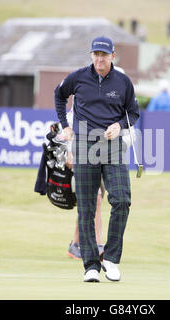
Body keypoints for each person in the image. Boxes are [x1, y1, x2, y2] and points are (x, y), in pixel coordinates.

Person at [54, 36, 140, 282]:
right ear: (91, 55)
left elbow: (133, 113)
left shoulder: (123, 81)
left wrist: (119, 124)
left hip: (112, 146)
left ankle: (111, 259)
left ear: (113, 56)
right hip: (83, 144)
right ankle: (90, 265)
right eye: (96, 54)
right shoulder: (78, 77)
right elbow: (59, 96)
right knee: (87, 207)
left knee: (122, 200)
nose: (100, 59)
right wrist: (65, 126)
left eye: (104, 54)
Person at [62, 107, 105, 260]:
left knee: (90, 202)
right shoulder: (83, 88)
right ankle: (98, 245)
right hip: (81, 152)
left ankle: (75, 244)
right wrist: (70, 150)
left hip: (100, 153)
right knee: (95, 199)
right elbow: (70, 122)